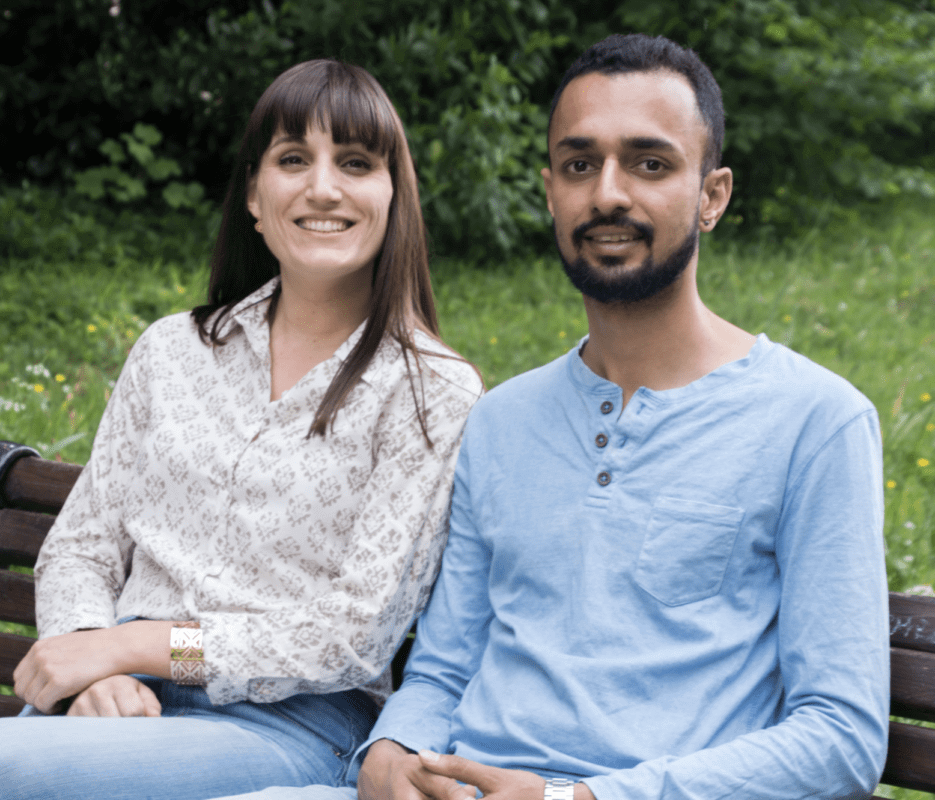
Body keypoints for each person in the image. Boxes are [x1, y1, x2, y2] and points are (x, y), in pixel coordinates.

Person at [209, 32, 890, 800]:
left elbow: (840, 738)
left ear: (712, 196)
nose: (607, 193)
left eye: (649, 163)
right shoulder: (502, 420)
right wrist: (393, 747)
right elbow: (441, 667)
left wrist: (580, 798)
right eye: (578, 164)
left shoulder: (816, 422)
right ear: (549, 191)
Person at [0, 59, 482, 800]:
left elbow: (349, 638)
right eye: (293, 160)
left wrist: (132, 645)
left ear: (393, 197)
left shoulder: (427, 391)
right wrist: (86, 671)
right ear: (255, 195)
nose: (323, 187)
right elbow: (81, 546)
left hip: (286, 728)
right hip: (116, 699)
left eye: (355, 163)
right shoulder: (171, 351)